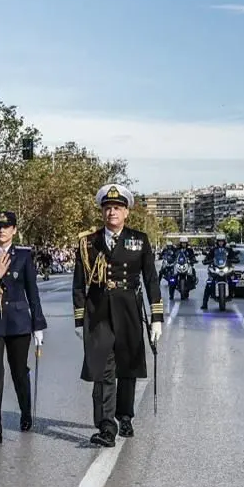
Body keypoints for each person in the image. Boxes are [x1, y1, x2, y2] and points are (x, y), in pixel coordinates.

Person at [72, 184, 163, 448]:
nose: (112, 212)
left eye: (117, 208)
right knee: (103, 368)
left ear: (126, 213)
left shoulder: (139, 240)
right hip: (98, 309)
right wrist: (80, 319)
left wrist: (156, 317)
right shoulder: (89, 242)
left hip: (128, 308)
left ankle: (125, 416)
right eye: (108, 207)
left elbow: (151, 279)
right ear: (102, 212)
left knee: (128, 365)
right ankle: (106, 426)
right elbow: (79, 283)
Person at [0, 211, 47, 447]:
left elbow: (32, 292)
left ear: (14, 229)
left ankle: (25, 412)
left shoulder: (23, 256)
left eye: (7, 227)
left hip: (17, 320)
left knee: (19, 372)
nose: (2, 231)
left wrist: (38, 325)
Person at [199, 234, 239, 311]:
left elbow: (234, 257)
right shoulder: (213, 250)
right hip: (216, 268)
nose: (221, 243)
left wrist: (235, 259)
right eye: (219, 241)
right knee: (209, 283)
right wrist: (206, 260)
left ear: (224, 241)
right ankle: (204, 303)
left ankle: (233, 292)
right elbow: (208, 257)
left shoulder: (228, 250)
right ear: (217, 242)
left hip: (226, 268)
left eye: (222, 241)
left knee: (234, 279)